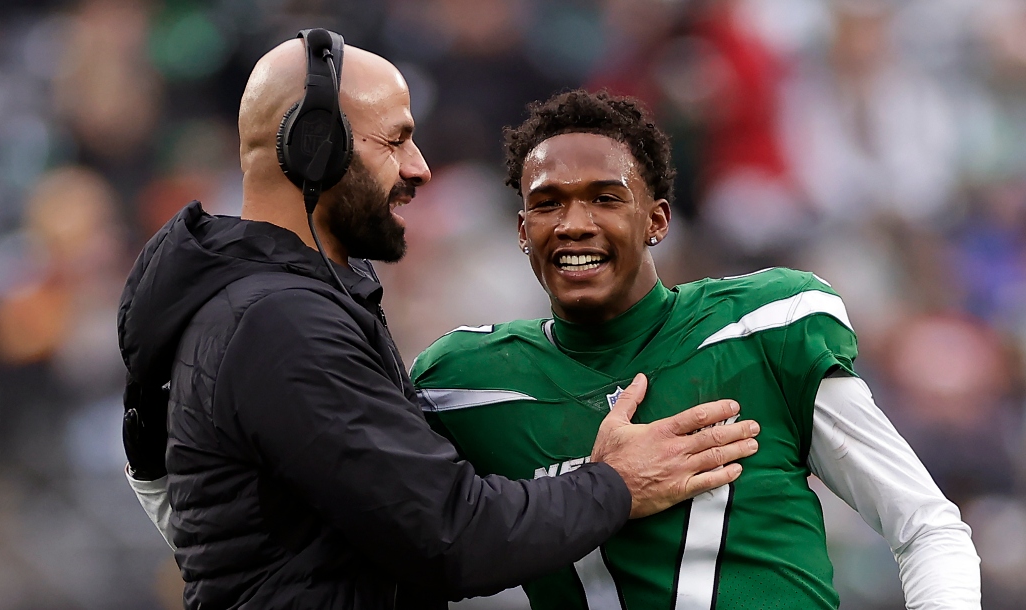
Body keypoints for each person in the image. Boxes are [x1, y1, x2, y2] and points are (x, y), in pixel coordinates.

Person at [119, 33, 760, 610]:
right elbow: (451, 536)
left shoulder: (259, 305)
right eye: (395, 140)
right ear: (314, 148)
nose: (419, 167)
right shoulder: (280, 323)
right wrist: (616, 483)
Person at [409, 90, 982, 609]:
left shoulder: (763, 327)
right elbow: (408, 556)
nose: (574, 224)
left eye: (605, 198)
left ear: (656, 220)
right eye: (548, 203)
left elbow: (923, 525)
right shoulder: (463, 385)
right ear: (521, 230)